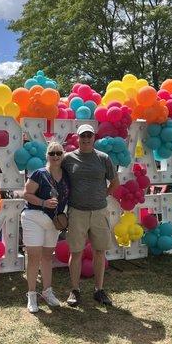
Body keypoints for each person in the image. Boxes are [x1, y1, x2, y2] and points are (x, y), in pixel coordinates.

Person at [61, 124, 119, 307]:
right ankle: (75, 290)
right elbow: (57, 178)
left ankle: (99, 290)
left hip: (99, 211)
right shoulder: (68, 159)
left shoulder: (103, 158)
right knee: (76, 252)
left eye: (89, 135)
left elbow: (115, 182)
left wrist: (104, 195)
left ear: (94, 137)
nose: (86, 138)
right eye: (82, 135)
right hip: (77, 212)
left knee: (99, 251)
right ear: (77, 138)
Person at [21, 141, 69, 313]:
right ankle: (31, 294)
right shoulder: (39, 174)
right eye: (52, 153)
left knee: (48, 257)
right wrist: (43, 202)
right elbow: (26, 194)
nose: (55, 156)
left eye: (58, 153)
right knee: (34, 257)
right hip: (34, 217)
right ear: (47, 156)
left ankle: (47, 292)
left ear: (63, 155)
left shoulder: (67, 175)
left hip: (53, 222)